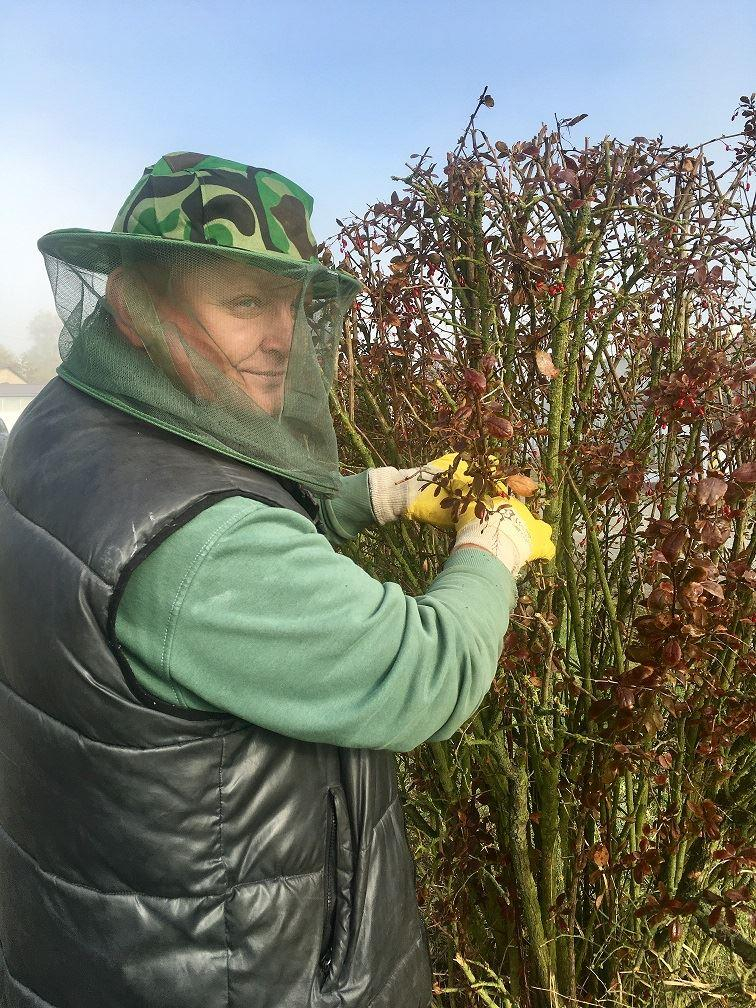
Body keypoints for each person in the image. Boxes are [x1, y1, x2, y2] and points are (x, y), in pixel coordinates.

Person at [0, 152, 555, 1008]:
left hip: (105, 937)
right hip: (239, 971)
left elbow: (180, 523)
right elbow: (424, 671)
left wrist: (369, 495)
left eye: (292, 305)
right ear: (136, 306)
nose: (282, 339)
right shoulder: (203, 550)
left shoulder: (63, 423)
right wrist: (494, 547)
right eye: (244, 301)